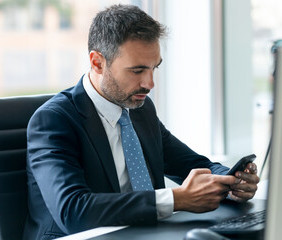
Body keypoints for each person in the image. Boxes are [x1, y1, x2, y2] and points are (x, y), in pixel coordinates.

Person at [22, 4, 259, 240]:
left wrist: (232, 180)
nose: (149, 84)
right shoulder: (53, 120)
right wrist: (177, 199)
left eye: (154, 68)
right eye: (137, 71)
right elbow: (73, 211)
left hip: (145, 234)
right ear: (97, 62)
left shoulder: (138, 109)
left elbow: (191, 163)